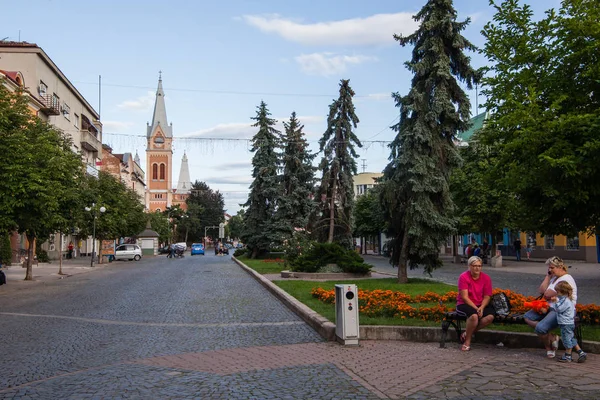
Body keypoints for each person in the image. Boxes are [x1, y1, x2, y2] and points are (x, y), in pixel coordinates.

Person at [524, 256, 578, 359]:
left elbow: (547, 294)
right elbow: (542, 290)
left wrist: (547, 295)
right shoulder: (554, 278)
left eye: (552, 268)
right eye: (549, 268)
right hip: (550, 306)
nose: (550, 270)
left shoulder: (566, 279)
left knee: (540, 328)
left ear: (560, 267)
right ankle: (552, 337)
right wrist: (548, 276)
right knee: (528, 316)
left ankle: (549, 348)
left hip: (562, 310)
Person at [456, 256, 495, 351]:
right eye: (474, 266)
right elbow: (465, 297)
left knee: (490, 317)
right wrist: (476, 309)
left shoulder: (486, 278)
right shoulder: (464, 277)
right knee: (474, 316)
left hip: (480, 303)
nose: (477, 268)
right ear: (469, 266)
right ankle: (467, 341)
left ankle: (466, 333)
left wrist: (481, 307)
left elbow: (487, 296)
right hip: (465, 303)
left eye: (479, 266)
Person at [551, 281, 587, 363]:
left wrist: (555, 302)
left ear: (562, 292)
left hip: (566, 323)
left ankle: (568, 355)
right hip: (568, 322)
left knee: (566, 339)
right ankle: (581, 352)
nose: (556, 293)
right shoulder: (565, 300)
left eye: (557, 291)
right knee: (570, 338)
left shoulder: (566, 301)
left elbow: (559, 310)